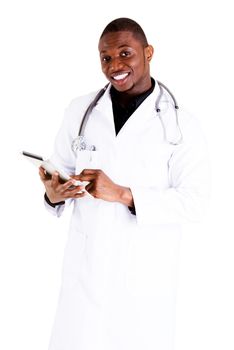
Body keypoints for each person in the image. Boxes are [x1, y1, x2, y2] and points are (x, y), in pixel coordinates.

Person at [39, 17, 210, 350]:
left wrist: (122, 194)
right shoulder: (80, 111)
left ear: (148, 53)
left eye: (125, 53)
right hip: (85, 277)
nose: (115, 65)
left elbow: (196, 202)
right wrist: (54, 193)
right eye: (105, 57)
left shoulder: (181, 125)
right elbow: (57, 169)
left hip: (144, 281)